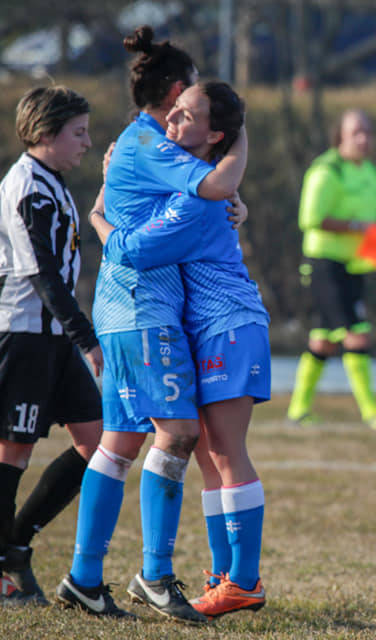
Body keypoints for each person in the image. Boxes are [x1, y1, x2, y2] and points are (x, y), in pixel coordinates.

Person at [56, 25, 246, 622]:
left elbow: (208, 201)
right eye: (191, 95)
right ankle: (156, 575)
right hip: (142, 309)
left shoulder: (142, 144)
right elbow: (215, 183)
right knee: (180, 434)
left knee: (119, 444)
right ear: (174, 93)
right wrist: (240, 140)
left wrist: (229, 206)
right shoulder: (153, 143)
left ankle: (85, 577)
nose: (192, 105)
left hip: (127, 306)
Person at [87, 81, 268, 620]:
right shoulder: (197, 185)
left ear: (213, 135)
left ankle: (244, 580)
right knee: (213, 456)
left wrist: (98, 213)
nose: (169, 124)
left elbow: (131, 249)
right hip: (208, 328)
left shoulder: (199, 199)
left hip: (227, 327)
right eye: (171, 113)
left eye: (184, 117)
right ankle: (225, 576)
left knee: (226, 453)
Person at [0, 87, 103, 606]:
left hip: (54, 335)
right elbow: (40, 272)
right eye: (78, 132)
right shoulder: (27, 187)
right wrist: (86, 337)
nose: (87, 142)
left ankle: (15, 544)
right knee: (14, 450)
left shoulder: (53, 182)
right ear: (45, 134)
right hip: (24, 334)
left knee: (97, 439)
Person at [286, 109, 376, 429]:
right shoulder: (326, 170)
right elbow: (309, 219)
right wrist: (354, 226)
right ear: (340, 136)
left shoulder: (371, 173)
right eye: (356, 132)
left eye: (368, 132)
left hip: (356, 264)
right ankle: (372, 413)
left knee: (323, 340)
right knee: (356, 333)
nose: (364, 139)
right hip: (325, 265)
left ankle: (298, 410)